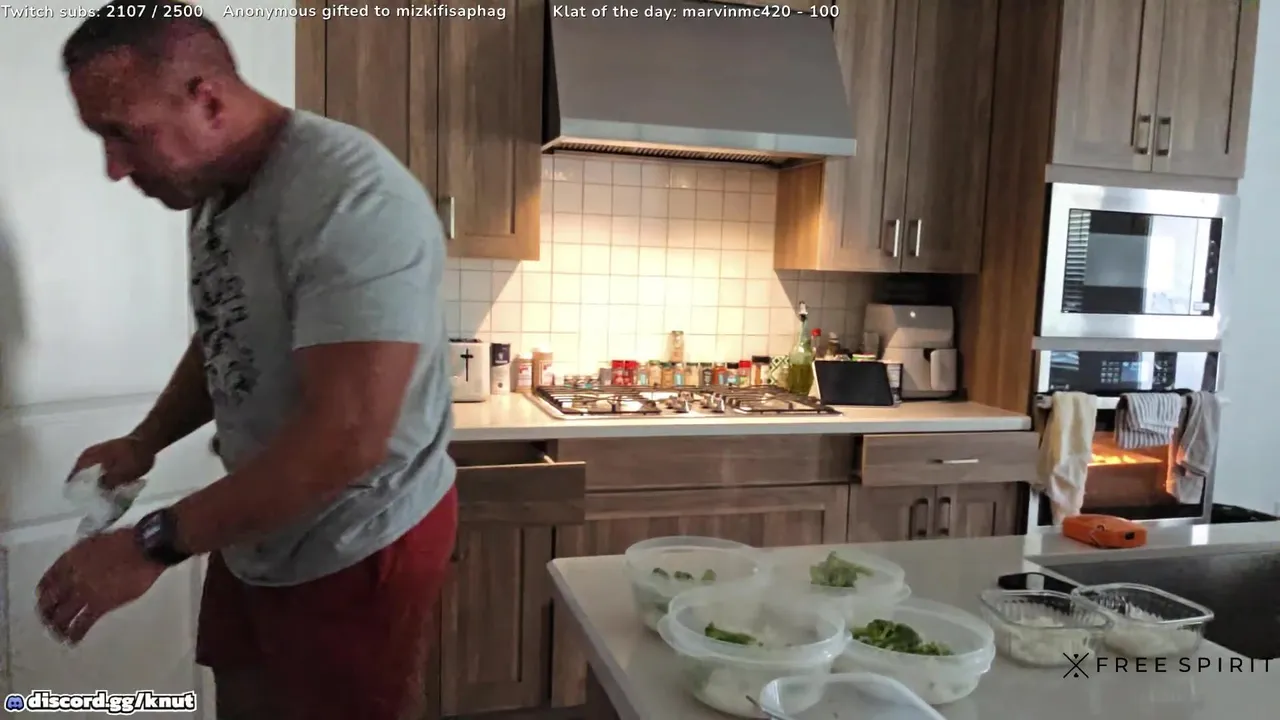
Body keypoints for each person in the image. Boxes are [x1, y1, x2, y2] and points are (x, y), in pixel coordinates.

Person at [35, 1, 457, 718]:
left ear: (207, 100)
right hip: (259, 516)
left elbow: (346, 442)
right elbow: (226, 330)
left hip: (355, 534)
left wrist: (150, 544)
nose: (113, 167)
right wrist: (146, 440)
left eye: (124, 133)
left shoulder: (351, 197)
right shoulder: (214, 190)